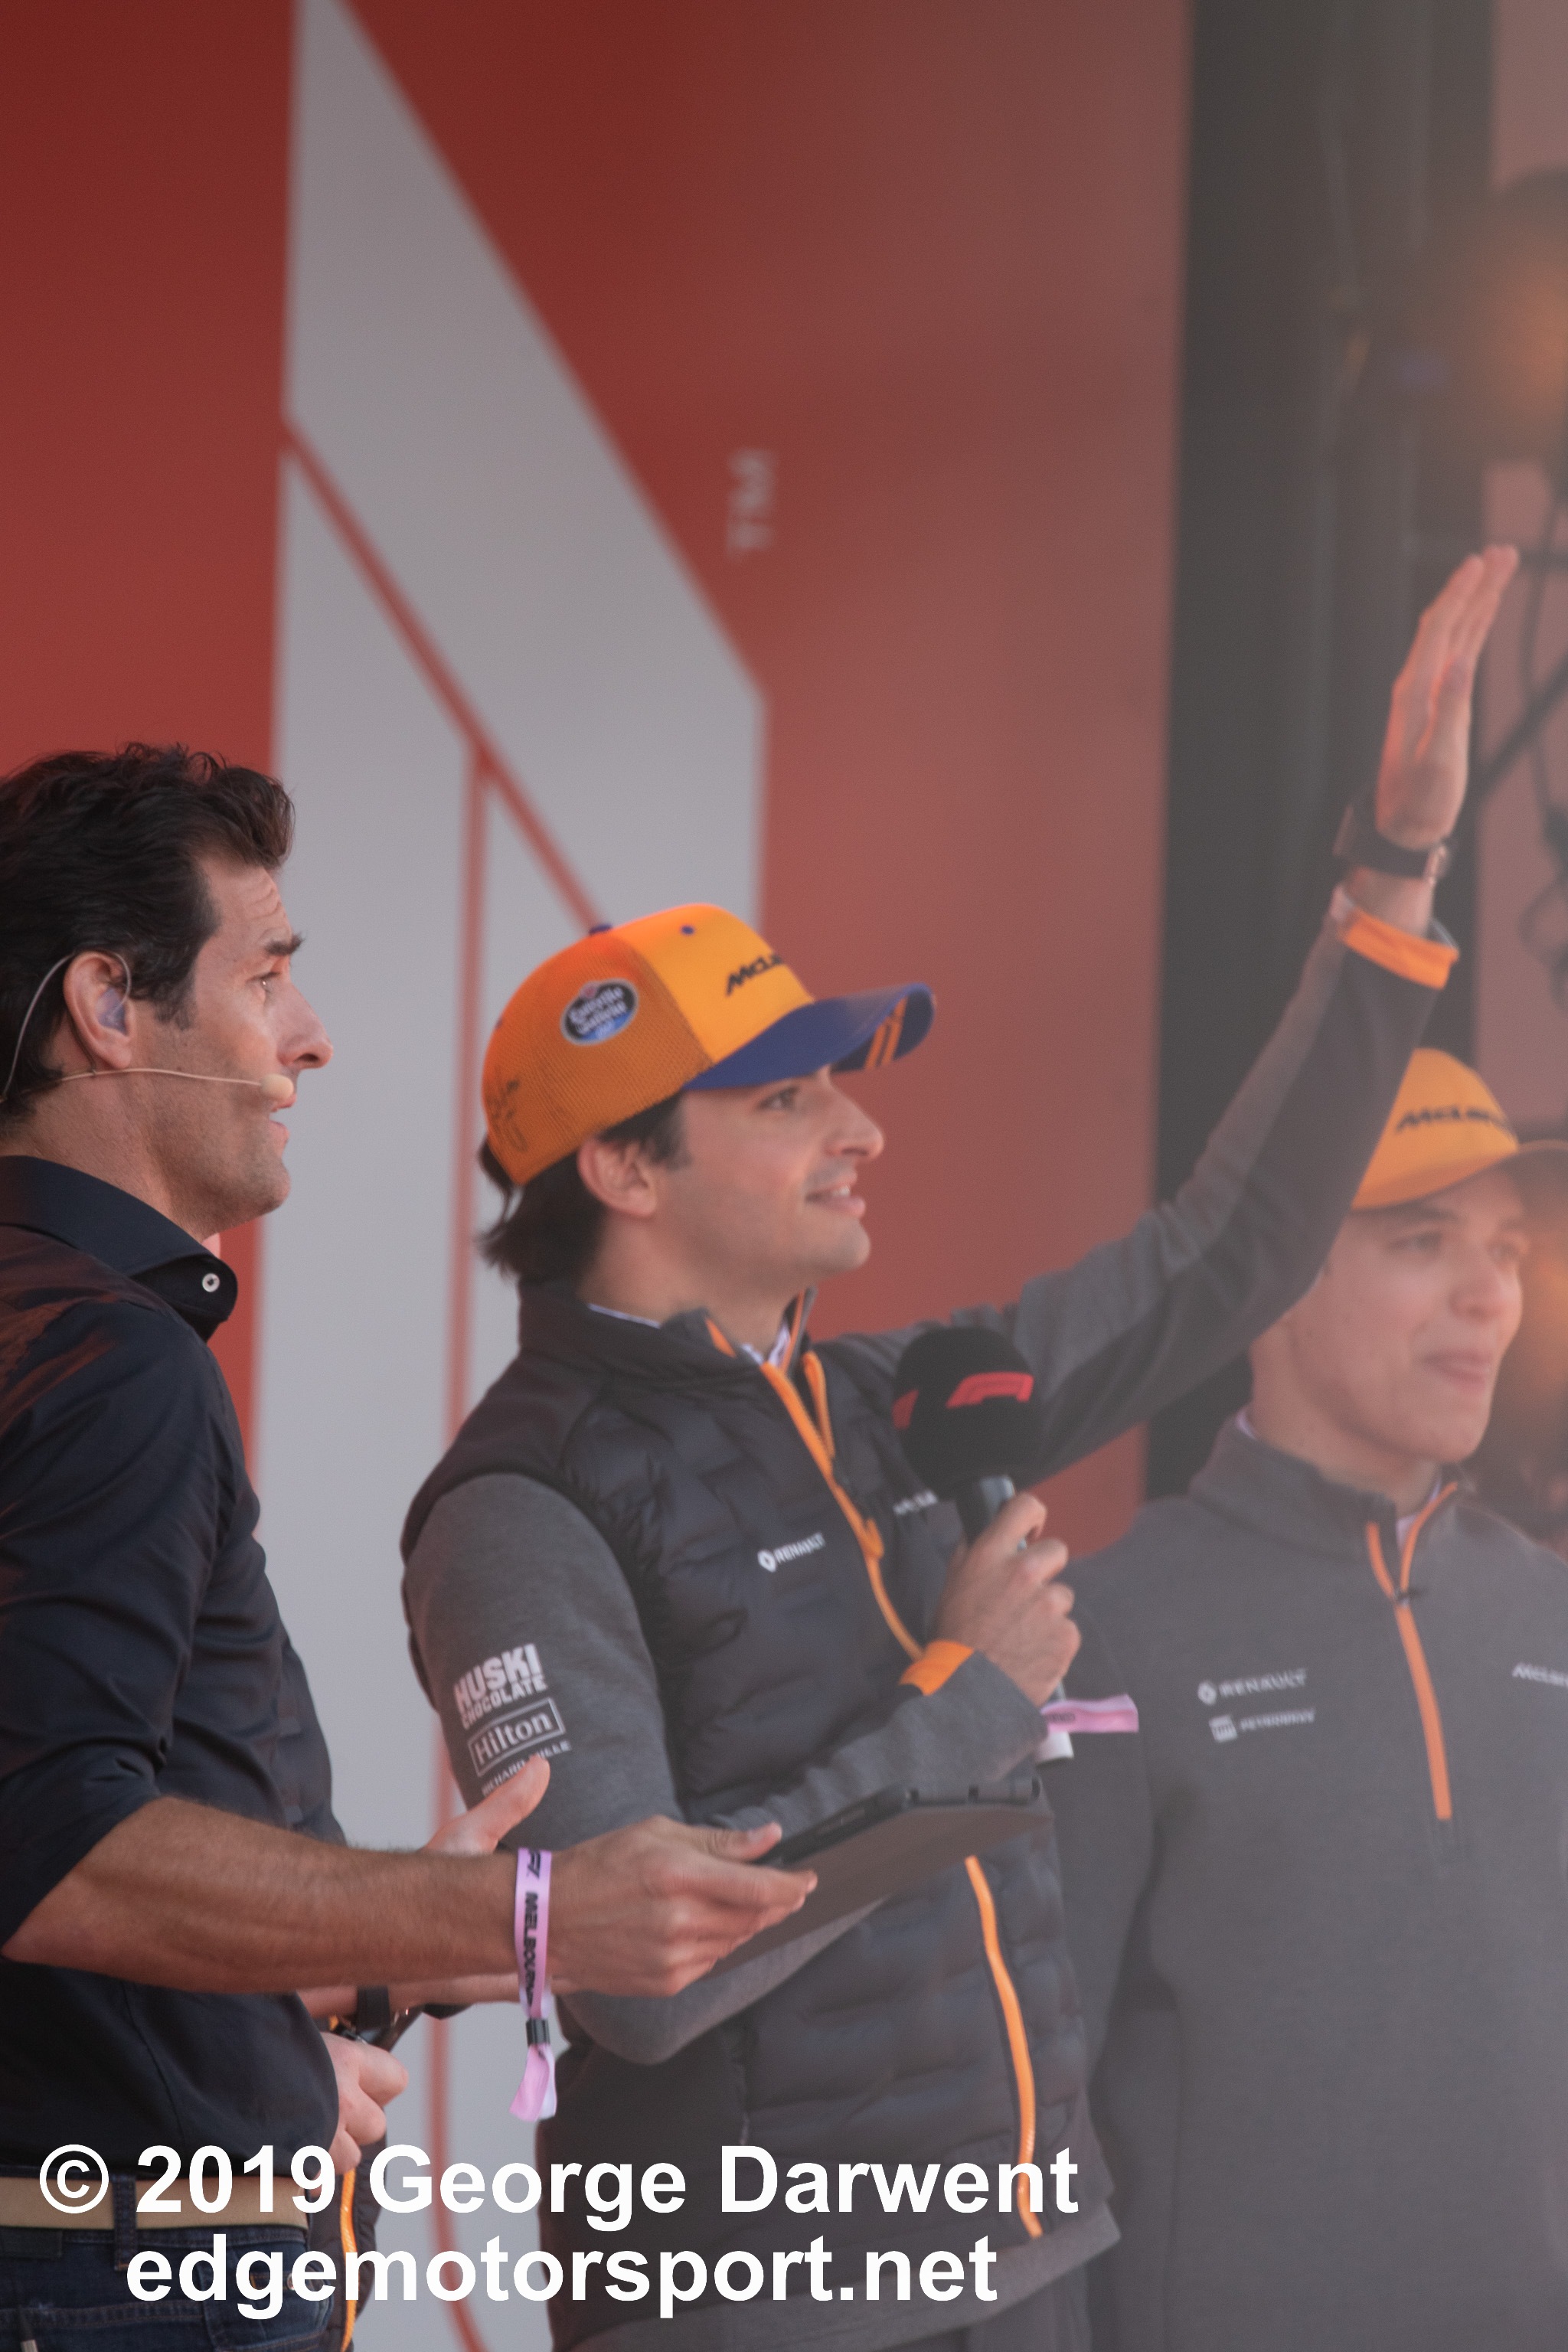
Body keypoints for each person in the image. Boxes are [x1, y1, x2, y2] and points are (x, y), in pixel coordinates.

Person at [401, 548, 1515, 2352]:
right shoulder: (519, 1510)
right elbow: (636, 1970)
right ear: (619, 1167)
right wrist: (968, 1701)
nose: (861, 1130)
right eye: (788, 1098)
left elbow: (1227, 1252)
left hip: (1021, 2270)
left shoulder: (897, 1397)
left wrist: (1390, 875)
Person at [0, 746, 812, 2349]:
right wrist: (524, 1917)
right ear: (108, 1008)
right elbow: (53, 1844)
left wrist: (325, 1995)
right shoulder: (110, 1361)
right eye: (265, 976)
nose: (309, 1035)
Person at [1050, 1049, 1568, 2352]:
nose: (1487, 1295)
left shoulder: (1553, 1618)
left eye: (1506, 1250)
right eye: (1422, 1240)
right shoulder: (1102, 1632)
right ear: (1269, 1273)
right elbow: (1025, 2113)